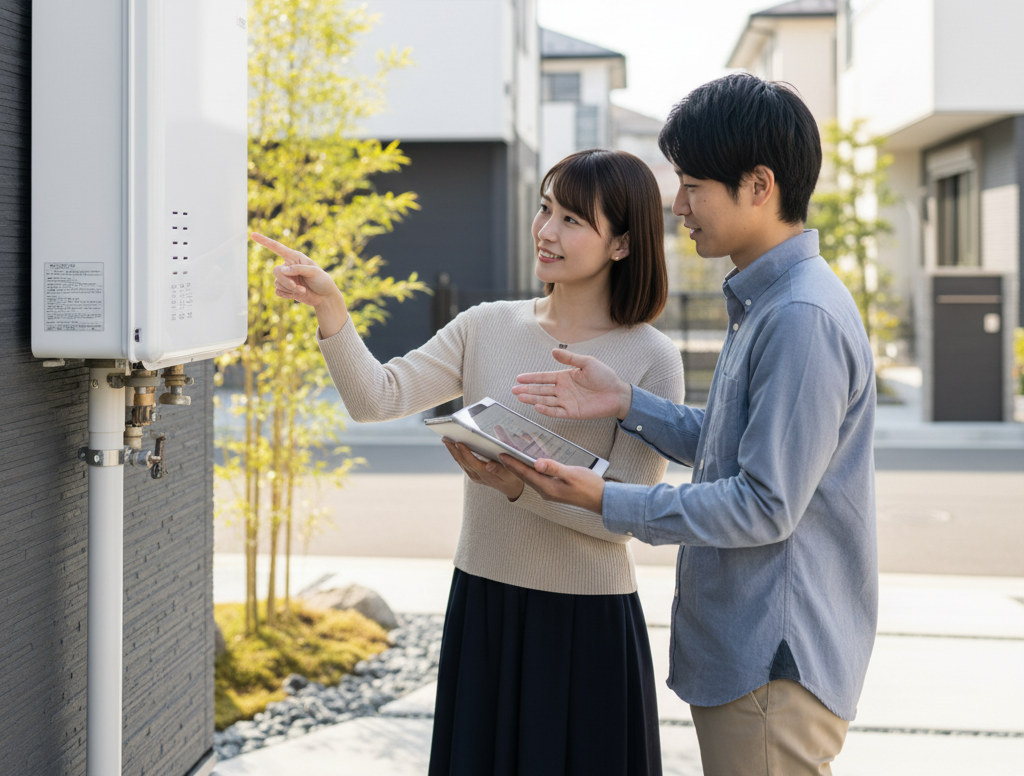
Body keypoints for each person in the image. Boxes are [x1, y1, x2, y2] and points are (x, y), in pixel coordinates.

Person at [253, 148, 684, 776]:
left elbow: (625, 516)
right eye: (544, 209)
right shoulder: (486, 326)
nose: (545, 230)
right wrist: (331, 310)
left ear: (622, 243)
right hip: (484, 599)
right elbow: (378, 397)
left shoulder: (652, 358)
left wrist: (519, 486)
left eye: (572, 219)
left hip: (585, 621)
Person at [507, 76, 877, 776]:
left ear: (759, 185)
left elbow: (764, 504)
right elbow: (738, 447)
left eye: (692, 185)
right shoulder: (770, 300)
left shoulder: (801, 317)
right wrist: (627, 403)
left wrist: (604, 499)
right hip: (756, 656)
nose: (677, 207)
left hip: (774, 663)